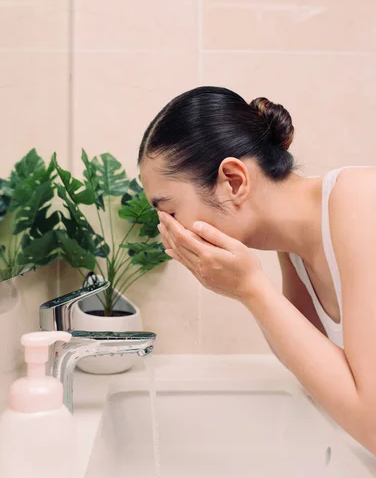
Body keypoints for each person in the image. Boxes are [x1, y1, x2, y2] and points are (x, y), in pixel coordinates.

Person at [138, 85, 376, 454]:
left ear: (233, 180)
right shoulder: (293, 240)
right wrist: (245, 290)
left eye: (169, 211)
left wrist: (252, 288)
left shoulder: (362, 202)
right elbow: (314, 374)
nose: (169, 231)